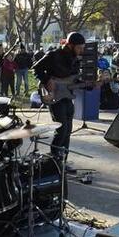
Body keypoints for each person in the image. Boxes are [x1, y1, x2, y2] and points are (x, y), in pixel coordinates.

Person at [33, 31, 86, 165]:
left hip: (67, 97)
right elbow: (36, 68)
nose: (81, 51)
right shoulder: (53, 55)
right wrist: (46, 80)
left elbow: (74, 82)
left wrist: (91, 85)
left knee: (68, 130)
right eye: (79, 47)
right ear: (70, 45)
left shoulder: (75, 61)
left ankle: (63, 161)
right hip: (54, 97)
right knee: (61, 130)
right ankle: (54, 160)